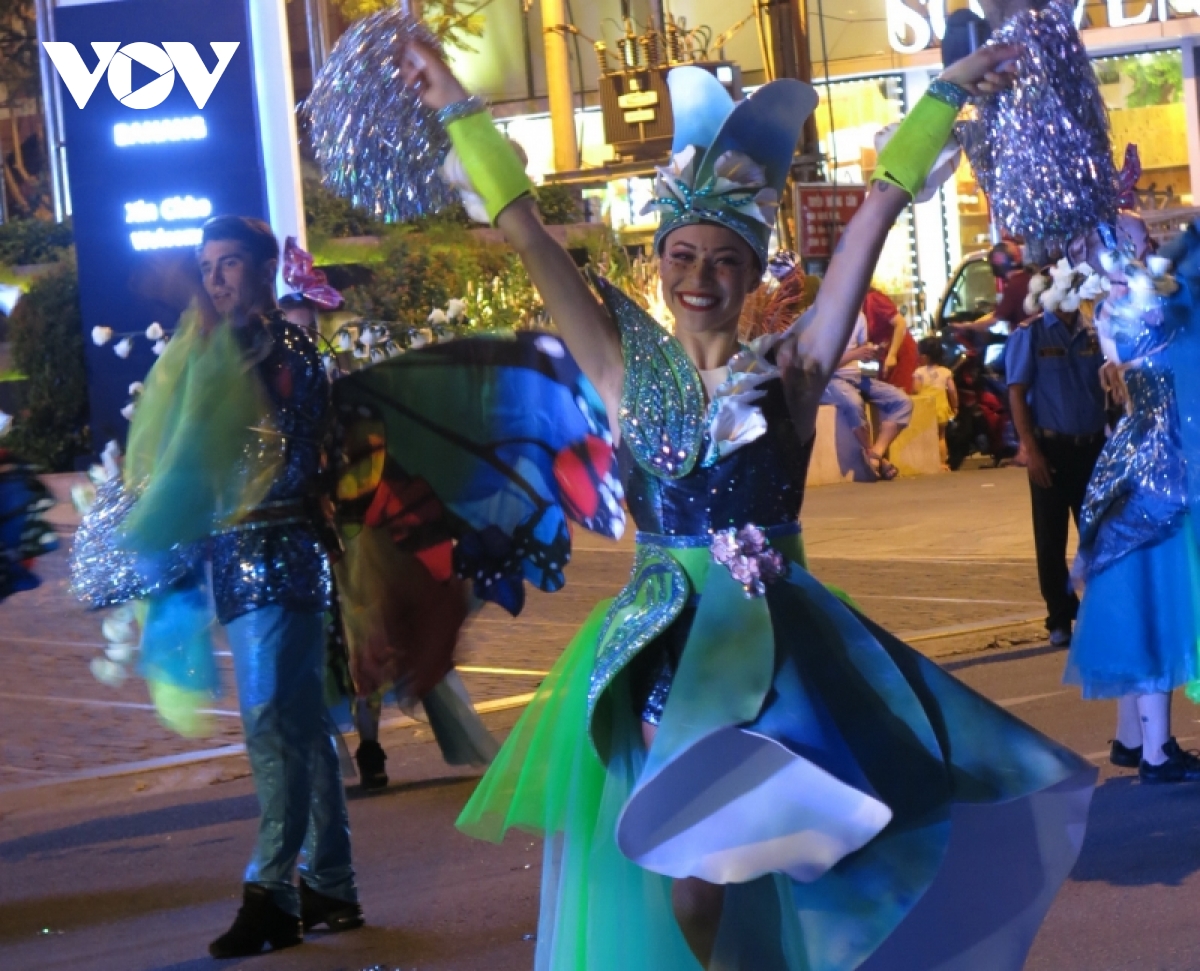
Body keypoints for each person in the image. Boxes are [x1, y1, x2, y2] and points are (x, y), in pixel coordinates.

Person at [402, 37, 1095, 971]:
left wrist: (940, 96)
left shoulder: (793, 369)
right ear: (659, 263)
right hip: (663, 649)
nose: (700, 276)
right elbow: (527, 229)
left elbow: (876, 216)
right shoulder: (620, 369)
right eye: (682, 254)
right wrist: (458, 107)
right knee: (695, 875)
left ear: (754, 270)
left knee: (812, 858)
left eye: (725, 259)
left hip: (781, 650)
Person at [82, 216, 363, 957]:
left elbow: (281, 454)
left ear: (265, 270)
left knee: (271, 719)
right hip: (236, 562)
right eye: (206, 266)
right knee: (298, 720)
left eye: (229, 263)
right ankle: (331, 881)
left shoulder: (291, 351)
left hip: (285, 553)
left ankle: (271, 892)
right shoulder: (202, 352)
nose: (214, 278)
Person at [1064, 218, 1200, 784]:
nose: (1141, 246)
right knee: (1155, 605)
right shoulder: (1136, 305)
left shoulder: (1131, 301)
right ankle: (1156, 752)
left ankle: (1132, 738)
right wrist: (1186, 241)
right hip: (1158, 465)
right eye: (1130, 239)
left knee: (1143, 602)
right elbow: (1167, 288)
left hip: (1150, 455)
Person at [1006, 290, 1107, 648]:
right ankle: (1059, 617)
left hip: (1093, 447)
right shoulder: (1030, 333)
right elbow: (1017, 392)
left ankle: (1101, 613)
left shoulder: (1094, 329)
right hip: (1050, 449)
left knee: (1098, 536)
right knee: (1051, 539)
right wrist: (1030, 450)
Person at [819, 311, 913, 480]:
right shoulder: (823, 315)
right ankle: (875, 456)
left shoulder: (859, 316)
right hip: (830, 379)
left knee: (902, 401)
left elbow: (862, 353)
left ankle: (876, 453)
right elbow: (823, 366)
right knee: (853, 402)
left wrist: (873, 353)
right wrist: (856, 354)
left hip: (857, 375)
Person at [951, 240, 1032, 353]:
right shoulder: (1027, 278)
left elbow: (993, 321)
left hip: (1025, 347)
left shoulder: (1013, 286)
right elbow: (999, 313)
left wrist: (966, 326)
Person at [912, 337, 958, 469]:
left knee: (925, 437)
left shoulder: (919, 372)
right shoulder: (946, 372)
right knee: (941, 437)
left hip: (925, 409)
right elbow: (952, 390)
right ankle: (942, 463)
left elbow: (916, 390)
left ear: (924, 356)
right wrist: (955, 406)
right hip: (941, 408)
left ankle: (927, 462)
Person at [863, 287, 918, 392]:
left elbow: (900, 323)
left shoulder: (873, 299)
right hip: (885, 353)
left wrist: (892, 355)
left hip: (899, 350)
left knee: (899, 392)